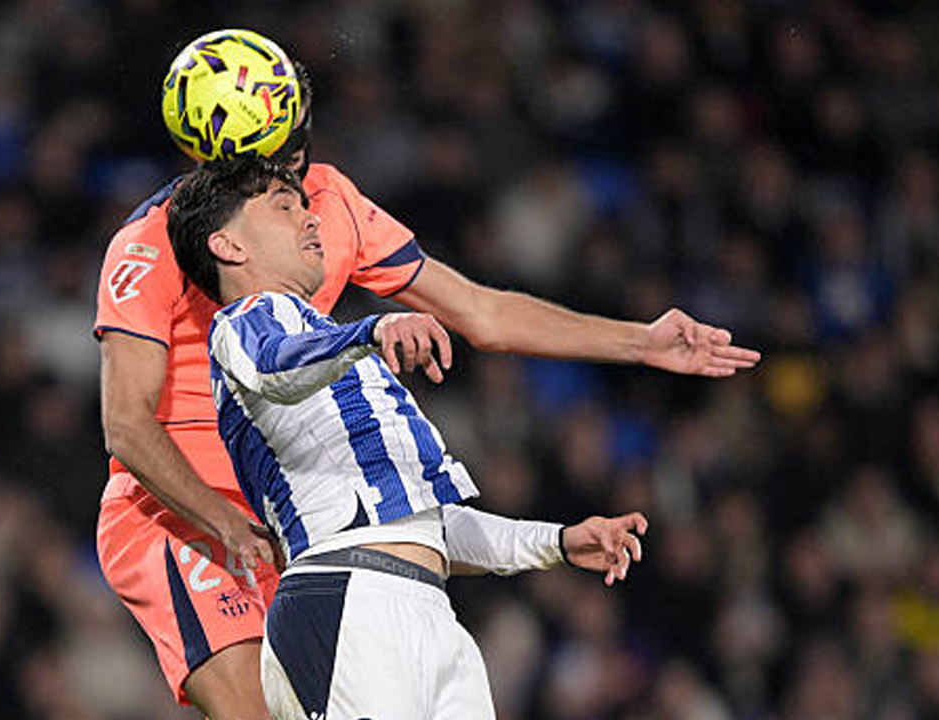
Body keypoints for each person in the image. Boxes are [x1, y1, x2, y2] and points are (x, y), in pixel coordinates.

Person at [94, 29, 760, 720]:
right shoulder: (151, 244)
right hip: (180, 516)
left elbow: (482, 313)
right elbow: (128, 424)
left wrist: (640, 341)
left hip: (297, 510)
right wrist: (225, 520)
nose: (294, 166)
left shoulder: (326, 207)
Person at [165, 154, 651, 720]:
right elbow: (277, 364)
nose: (311, 219)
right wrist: (372, 327)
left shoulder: (340, 352)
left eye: (305, 205)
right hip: (346, 602)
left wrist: (558, 541)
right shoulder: (243, 327)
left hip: (430, 613)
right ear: (229, 246)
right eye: (284, 207)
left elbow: (428, 526)